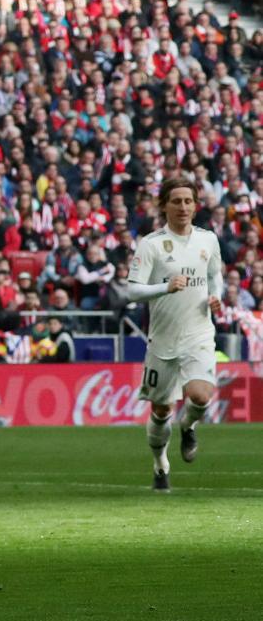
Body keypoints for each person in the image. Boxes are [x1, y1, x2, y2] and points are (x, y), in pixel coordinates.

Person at [120, 176, 224, 493]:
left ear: (195, 205)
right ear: (164, 205)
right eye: (176, 201)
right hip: (163, 341)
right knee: (161, 409)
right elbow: (131, 291)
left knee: (200, 396)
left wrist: (216, 296)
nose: (182, 207)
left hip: (199, 333)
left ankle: (188, 425)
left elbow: (214, 275)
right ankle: (160, 465)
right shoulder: (151, 245)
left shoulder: (208, 240)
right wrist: (165, 287)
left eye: (188, 201)